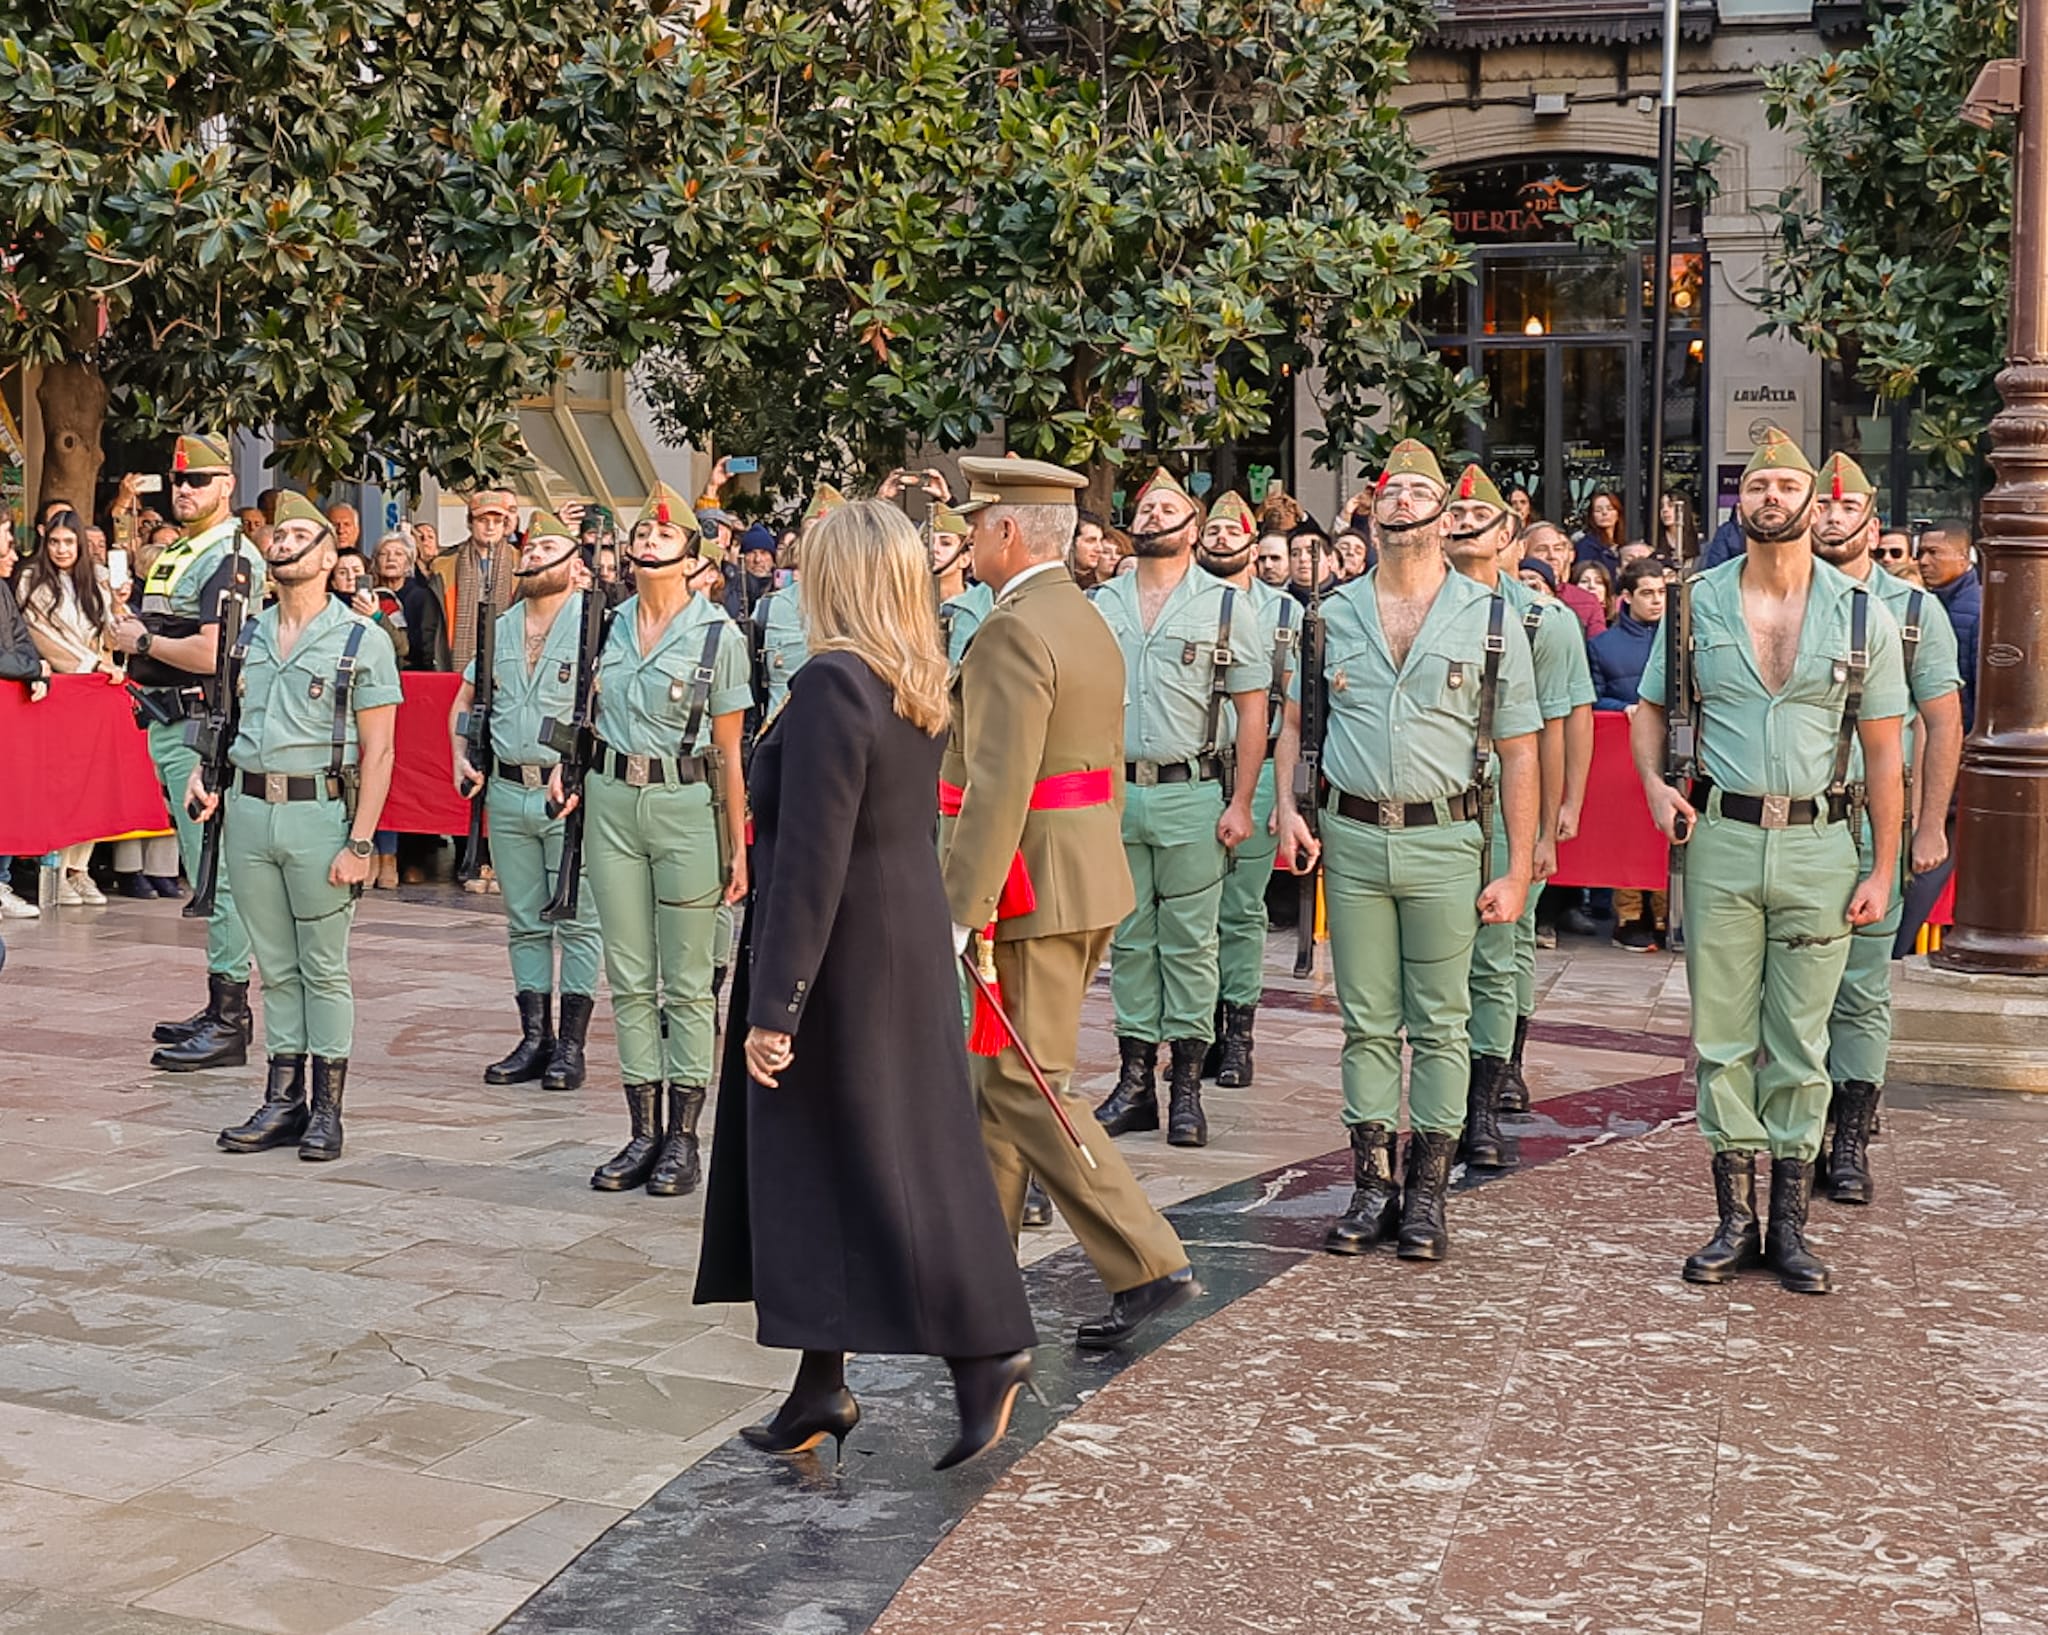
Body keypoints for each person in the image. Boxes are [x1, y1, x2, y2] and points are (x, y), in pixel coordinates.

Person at [696, 499, 1038, 1471]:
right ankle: (819, 1382)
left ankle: (985, 1350)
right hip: (894, 951)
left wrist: (773, 1010)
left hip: (839, 965)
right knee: (841, 1165)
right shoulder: (904, 679)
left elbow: (810, 860)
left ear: (836, 578)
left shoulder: (831, 683)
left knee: (892, 1170)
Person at [1631, 428, 1908, 1295]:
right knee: (1721, 1037)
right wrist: (1649, 783)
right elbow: (1648, 708)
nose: (1775, 497)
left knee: (1802, 1039)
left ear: (1814, 501)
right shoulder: (1695, 603)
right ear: (1740, 503)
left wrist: (1880, 867)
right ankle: (1733, 1219)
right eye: (1760, 486)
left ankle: (1789, 1223)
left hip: (1823, 843)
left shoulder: (1863, 614)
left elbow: (1885, 749)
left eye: (1791, 484)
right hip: (1721, 836)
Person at [942, 453, 1201, 1349]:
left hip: (1029, 884)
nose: (970, 538)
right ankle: (982, 1270)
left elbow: (999, 779)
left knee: (1022, 1079)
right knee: (995, 1086)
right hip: (1078, 870)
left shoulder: (1013, 628)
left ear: (1009, 531)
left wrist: (963, 904)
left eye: (978, 524)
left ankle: (1146, 1258)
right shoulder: (1083, 614)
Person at [1273, 440, 1541, 1261]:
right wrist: (1286, 808)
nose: (1403, 501)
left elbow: (1521, 747)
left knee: (1442, 1022)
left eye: (1421, 491)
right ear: (1374, 509)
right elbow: (1294, 721)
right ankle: (1370, 1185)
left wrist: (1519, 864)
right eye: (1390, 490)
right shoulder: (1330, 614)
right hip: (1352, 838)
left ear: (1446, 517)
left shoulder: (1494, 617)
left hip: (1447, 837)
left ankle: (1426, 1192)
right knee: (1365, 1021)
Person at [553, 480, 750, 1197]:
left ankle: (685, 1136)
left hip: (685, 801)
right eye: (643, 534)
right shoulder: (604, 620)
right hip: (610, 798)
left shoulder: (717, 636)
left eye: (664, 536)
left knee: (688, 982)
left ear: (693, 557)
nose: (648, 541)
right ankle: (643, 1128)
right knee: (631, 974)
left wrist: (738, 847)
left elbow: (731, 751)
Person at [206, 493, 402, 1162]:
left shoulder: (361, 639)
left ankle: (327, 1108)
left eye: (300, 534)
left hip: (321, 813)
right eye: (278, 532)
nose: (284, 541)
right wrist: (211, 782)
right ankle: (282, 1097)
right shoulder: (249, 633)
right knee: (276, 968)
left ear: (326, 555)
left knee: (323, 968)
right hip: (250, 811)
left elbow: (380, 751)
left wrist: (360, 841)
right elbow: (229, 724)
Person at [1090, 468, 1269, 1149]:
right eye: (1143, 507)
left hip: (1192, 788)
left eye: (1166, 507)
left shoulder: (1226, 607)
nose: (1152, 515)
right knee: (1130, 938)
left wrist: (1243, 800)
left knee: (1192, 942)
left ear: (1191, 529)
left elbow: (1254, 711)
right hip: (1115, 790)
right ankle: (1134, 1078)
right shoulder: (1102, 601)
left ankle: (1186, 1085)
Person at [1810, 455, 1962, 1204]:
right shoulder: (1773, 598)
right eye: (1823, 508)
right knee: (1790, 985)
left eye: (1847, 510)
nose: (1832, 520)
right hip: (1794, 816)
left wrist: (1929, 823)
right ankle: (1795, 1128)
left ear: (1871, 523)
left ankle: (1847, 1136)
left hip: (1877, 819)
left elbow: (1941, 720)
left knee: (1861, 987)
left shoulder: (1912, 612)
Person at [1443, 466, 1593, 1150]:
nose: (1466, 520)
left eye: (1483, 512)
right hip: (1435, 808)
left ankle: (1491, 1084)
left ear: (1507, 532)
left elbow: (1556, 724)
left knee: (1498, 955)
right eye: (1458, 509)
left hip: (1507, 807)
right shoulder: (1413, 604)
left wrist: (1553, 819)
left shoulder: (1543, 619)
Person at [110, 432, 266, 1070]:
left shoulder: (228, 556)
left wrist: (142, 641)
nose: (184, 490)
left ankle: (230, 1017)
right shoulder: (185, 550)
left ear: (227, 485)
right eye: (177, 481)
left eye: (198, 480)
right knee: (208, 870)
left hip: (199, 727)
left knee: (215, 876)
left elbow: (210, 653)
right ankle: (219, 1004)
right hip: (170, 726)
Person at [446, 512, 607, 1095]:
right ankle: (534, 1037)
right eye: (531, 546)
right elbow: (466, 698)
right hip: (509, 790)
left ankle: (571, 1045)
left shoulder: (597, 625)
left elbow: (608, 708)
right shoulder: (501, 627)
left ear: (575, 564)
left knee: (580, 921)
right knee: (524, 922)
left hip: (570, 798)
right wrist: (461, 751)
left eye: (549, 546)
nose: (536, 554)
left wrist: (586, 770)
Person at [1194, 490, 1295, 1087]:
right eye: (1214, 530)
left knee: (1240, 910)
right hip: (1198, 770)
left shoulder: (1285, 615)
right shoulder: (1187, 604)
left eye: (1235, 532)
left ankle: (1239, 1035)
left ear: (1255, 547)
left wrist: (1286, 795)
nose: (1223, 538)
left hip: (1251, 775)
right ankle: (1196, 1030)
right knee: (1192, 913)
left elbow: (1299, 714)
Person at [17, 507, 118, 905]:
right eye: (54, 542)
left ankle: (81, 869)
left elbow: (112, 628)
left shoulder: (95, 579)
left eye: (69, 542)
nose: (61, 549)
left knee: (94, 783)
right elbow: (37, 634)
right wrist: (86, 663)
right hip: (62, 687)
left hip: (97, 688)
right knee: (61, 784)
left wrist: (116, 599)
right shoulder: (31, 579)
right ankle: (54, 871)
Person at [1590, 559, 1670, 948]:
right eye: (1648, 593)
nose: (1657, 601)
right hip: (1620, 754)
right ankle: (1629, 914)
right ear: (1626, 597)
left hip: (1673, 751)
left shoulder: (1681, 638)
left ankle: (1664, 913)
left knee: (1668, 828)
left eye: (1662, 592)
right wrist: (1621, 707)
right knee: (1627, 830)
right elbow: (1591, 695)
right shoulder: (1602, 645)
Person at [0, 515, 54, 920]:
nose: (13, 551)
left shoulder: (3, 589)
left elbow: (19, 639)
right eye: (6, 538)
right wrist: (32, 668)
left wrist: (33, 665)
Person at [753, 486, 840, 718]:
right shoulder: (771, 607)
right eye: (811, 534)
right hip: (782, 742)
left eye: (829, 534)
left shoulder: (870, 607)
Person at [1915, 518, 1979, 732]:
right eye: (1920, 553)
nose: (1923, 561)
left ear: (1962, 556)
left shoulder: (1979, 611)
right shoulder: (1929, 602)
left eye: (1934, 552)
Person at [377, 531, 447, 673]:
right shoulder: (371, 596)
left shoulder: (421, 596)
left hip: (412, 673)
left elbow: (426, 646)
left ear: (409, 563)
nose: (391, 558)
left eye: (399, 554)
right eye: (384, 554)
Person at [1523, 522, 1606, 638]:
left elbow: (1597, 649)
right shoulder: (1511, 595)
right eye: (1541, 549)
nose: (1552, 556)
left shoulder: (1587, 601)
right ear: (1522, 552)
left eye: (1558, 549)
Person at [1573, 489, 1624, 577]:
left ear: (1618, 514)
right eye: (1598, 510)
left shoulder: (1622, 544)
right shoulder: (1587, 546)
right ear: (1591, 516)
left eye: (1610, 509)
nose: (1604, 513)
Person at [1659, 489, 1699, 564]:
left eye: (1671, 505)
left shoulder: (1699, 542)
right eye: (1661, 507)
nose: (1665, 510)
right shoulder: (1655, 540)